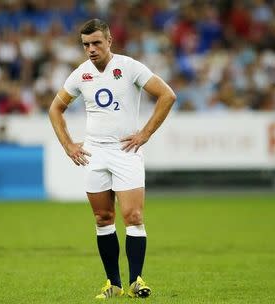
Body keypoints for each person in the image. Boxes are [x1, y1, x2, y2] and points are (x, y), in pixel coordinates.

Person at [48, 19, 176, 299]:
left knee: (134, 216)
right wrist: (69, 145)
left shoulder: (130, 67)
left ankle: (137, 281)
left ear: (109, 41)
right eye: (86, 45)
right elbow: (55, 109)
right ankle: (113, 284)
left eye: (96, 43)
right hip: (94, 153)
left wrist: (145, 133)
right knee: (103, 217)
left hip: (125, 152)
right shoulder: (80, 74)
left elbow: (167, 95)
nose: (91, 49)